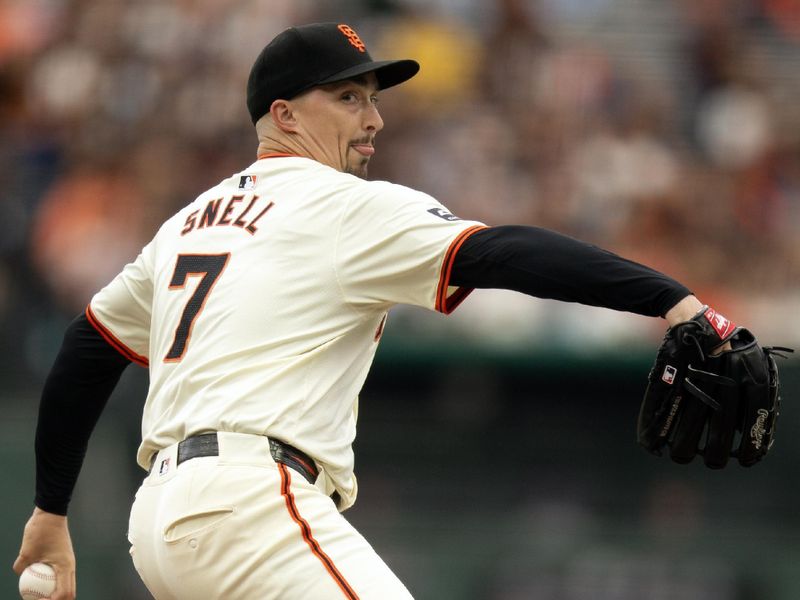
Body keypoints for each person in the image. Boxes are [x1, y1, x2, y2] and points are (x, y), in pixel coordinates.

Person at [13, 22, 715, 600]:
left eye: (372, 98)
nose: (374, 118)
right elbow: (502, 252)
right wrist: (674, 300)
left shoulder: (189, 223)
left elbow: (88, 347)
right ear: (284, 115)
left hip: (163, 525)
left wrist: (50, 511)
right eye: (348, 97)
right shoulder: (341, 206)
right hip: (251, 506)